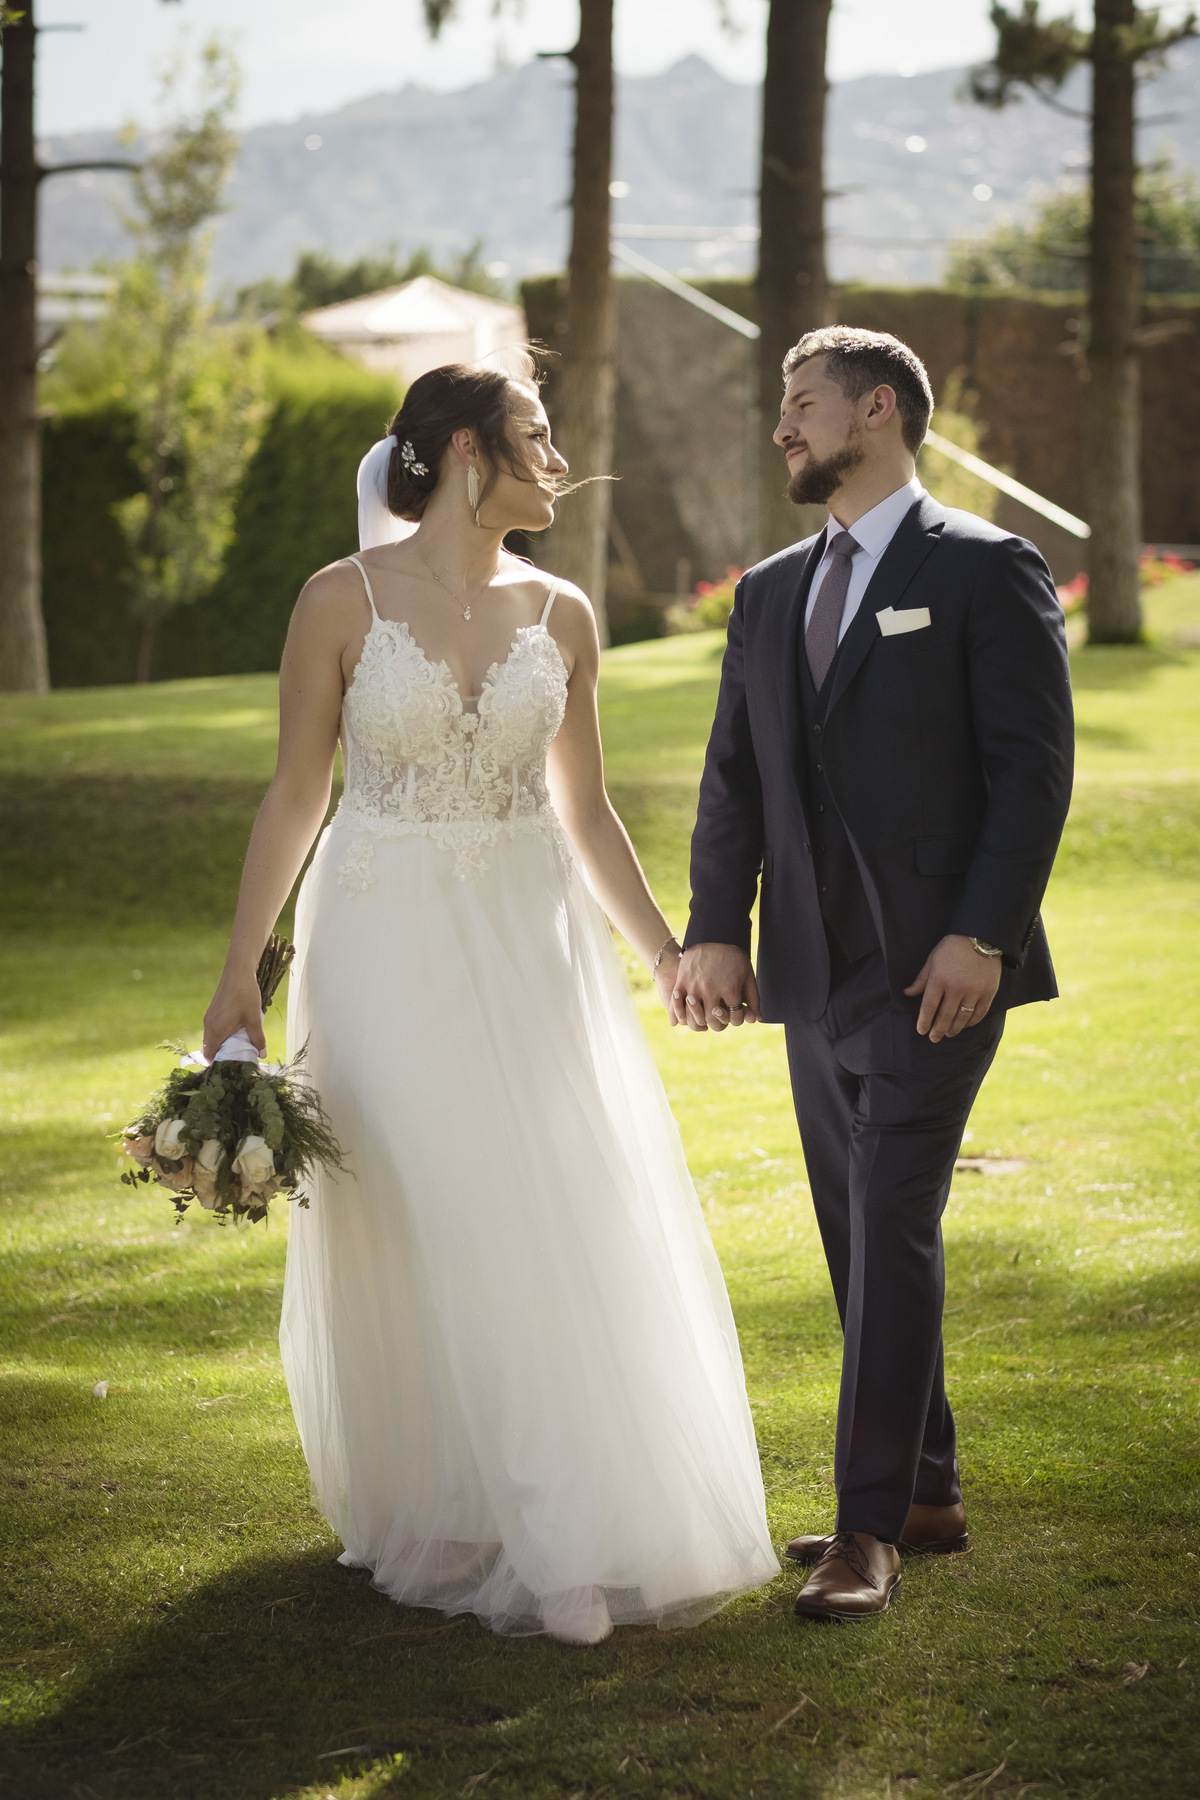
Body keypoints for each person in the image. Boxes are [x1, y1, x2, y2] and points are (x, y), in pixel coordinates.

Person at [202, 356, 779, 1645]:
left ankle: (562, 1521)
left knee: (550, 1197)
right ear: (466, 453)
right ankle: (454, 1501)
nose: (558, 458)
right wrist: (243, 966)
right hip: (385, 932)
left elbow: (586, 809)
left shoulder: (565, 611)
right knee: (426, 1201)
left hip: (532, 939)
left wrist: (665, 953)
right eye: (535, 436)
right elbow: (299, 793)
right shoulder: (337, 600)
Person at [674, 326, 1073, 1622]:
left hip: (939, 972)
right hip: (809, 973)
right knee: (861, 1237)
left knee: (893, 1220)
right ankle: (926, 1489)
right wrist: (716, 929)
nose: (783, 427)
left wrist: (986, 936)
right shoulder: (774, 590)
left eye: (804, 405)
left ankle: (864, 1533)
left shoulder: (985, 571)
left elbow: (1032, 772)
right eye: (782, 408)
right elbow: (732, 776)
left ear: (880, 411)